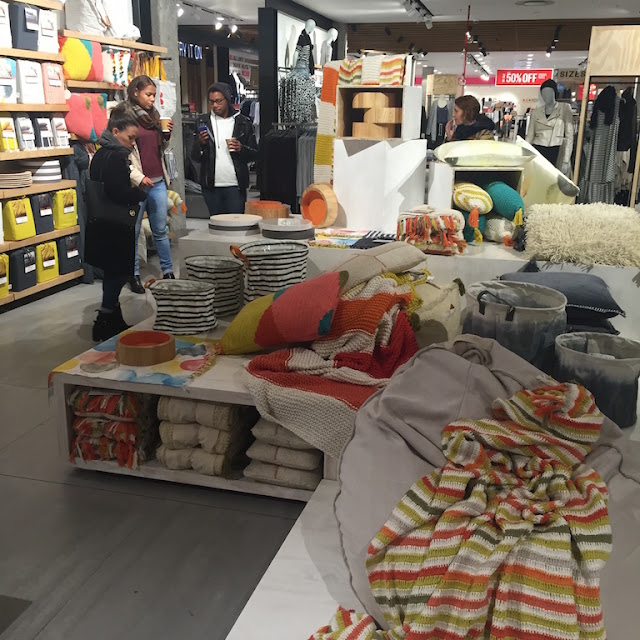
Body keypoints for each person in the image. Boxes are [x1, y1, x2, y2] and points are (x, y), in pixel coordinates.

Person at [85, 104, 147, 342]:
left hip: (100, 221)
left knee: (113, 271)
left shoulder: (101, 154)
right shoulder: (116, 157)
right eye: (130, 138)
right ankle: (105, 318)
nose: (133, 143)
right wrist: (139, 194)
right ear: (115, 131)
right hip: (116, 222)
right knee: (119, 272)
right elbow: (118, 192)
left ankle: (113, 318)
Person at [127, 75, 175, 294]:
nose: (152, 99)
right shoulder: (125, 116)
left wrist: (166, 136)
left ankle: (168, 271)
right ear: (135, 92)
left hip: (157, 181)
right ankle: (134, 274)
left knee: (160, 229)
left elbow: (159, 149)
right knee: (134, 231)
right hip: (137, 184)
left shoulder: (153, 116)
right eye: (148, 94)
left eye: (154, 95)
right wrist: (137, 177)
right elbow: (123, 154)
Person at [191, 82, 258, 216]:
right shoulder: (202, 122)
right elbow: (194, 156)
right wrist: (200, 143)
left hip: (235, 184)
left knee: (236, 223)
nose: (215, 105)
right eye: (211, 102)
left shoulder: (242, 122)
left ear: (227, 100)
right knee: (216, 223)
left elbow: (255, 154)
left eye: (219, 101)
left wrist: (241, 149)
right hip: (211, 185)